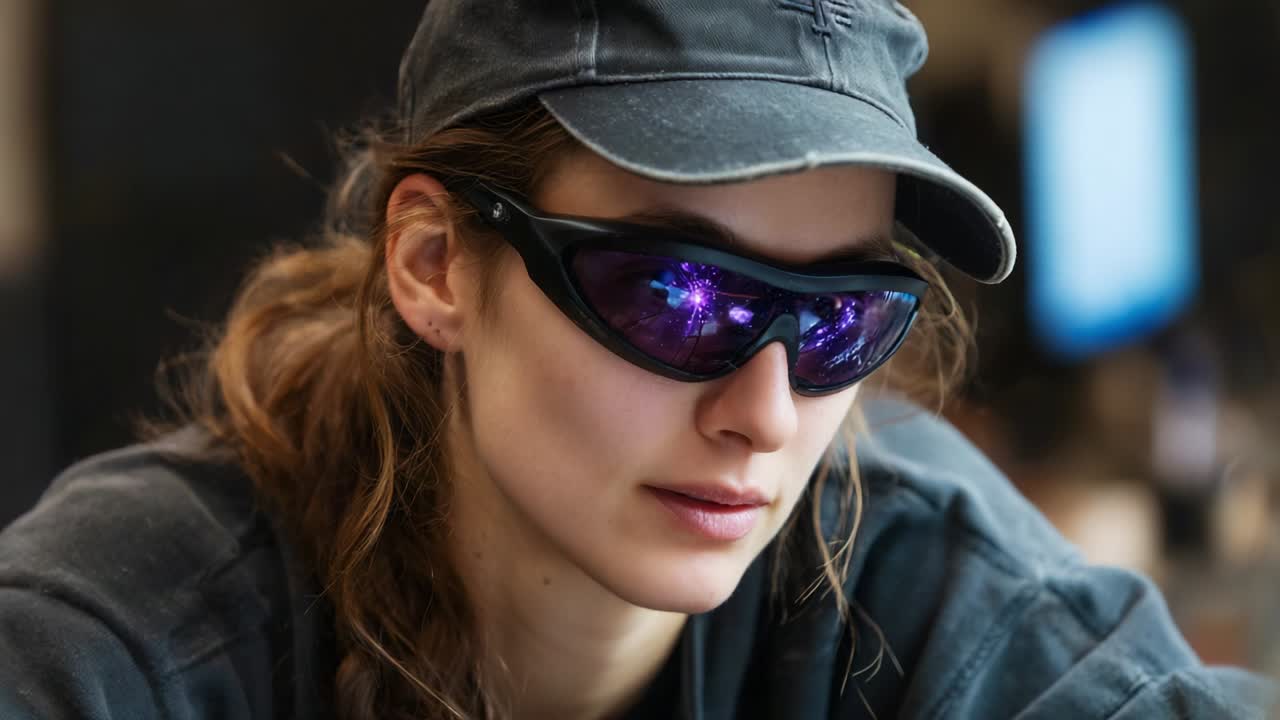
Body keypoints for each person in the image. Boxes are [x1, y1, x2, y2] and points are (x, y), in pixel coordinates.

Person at [0, 1, 1273, 718]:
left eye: (838, 320)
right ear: (436, 263)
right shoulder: (125, 641)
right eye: (675, 293)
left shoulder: (921, 584)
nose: (766, 417)